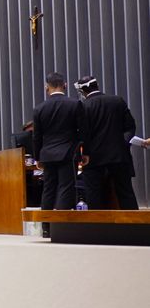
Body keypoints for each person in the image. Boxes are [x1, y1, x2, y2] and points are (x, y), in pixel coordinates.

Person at [75, 76, 138, 210]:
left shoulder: (83, 107)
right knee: (126, 192)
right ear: (97, 85)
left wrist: (84, 153)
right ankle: (135, 225)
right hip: (119, 156)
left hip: (94, 158)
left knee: (93, 194)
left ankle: (97, 227)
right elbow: (130, 127)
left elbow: (83, 134)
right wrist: (123, 144)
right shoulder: (117, 101)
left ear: (82, 91)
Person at [32, 72, 83, 210]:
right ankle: (62, 224)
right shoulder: (75, 104)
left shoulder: (39, 109)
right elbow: (83, 131)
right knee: (65, 187)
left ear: (46, 87)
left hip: (47, 154)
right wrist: (84, 151)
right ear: (64, 85)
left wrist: (38, 157)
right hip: (68, 152)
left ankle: (46, 227)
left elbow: (37, 136)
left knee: (48, 189)